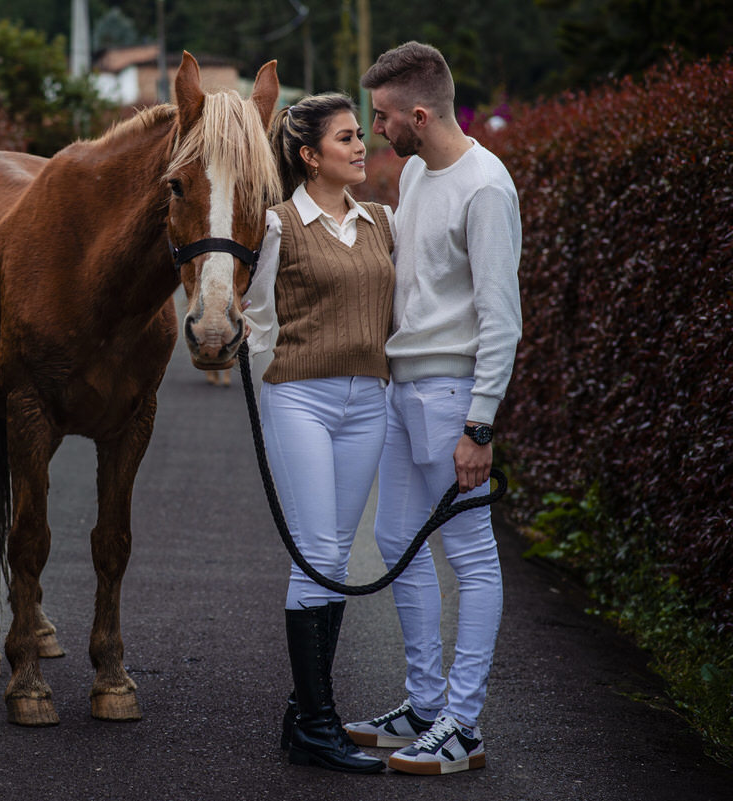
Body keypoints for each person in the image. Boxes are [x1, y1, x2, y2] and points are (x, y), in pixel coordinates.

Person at [343, 41, 522, 775]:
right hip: (403, 384)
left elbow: (500, 315)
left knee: (472, 558)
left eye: (383, 117)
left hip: (454, 395)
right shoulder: (416, 172)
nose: (377, 130)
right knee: (396, 539)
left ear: (419, 113)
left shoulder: (486, 186)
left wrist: (481, 424)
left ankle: (465, 725)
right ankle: (424, 704)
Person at [242, 92, 396, 774]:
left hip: (371, 400)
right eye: (346, 137)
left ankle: (306, 710)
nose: (362, 145)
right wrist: (271, 375)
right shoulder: (277, 226)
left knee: (337, 551)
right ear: (310, 155)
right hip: (300, 396)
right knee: (319, 551)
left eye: (361, 134)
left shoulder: (382, 223)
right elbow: (252, 313)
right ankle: (317, 721)